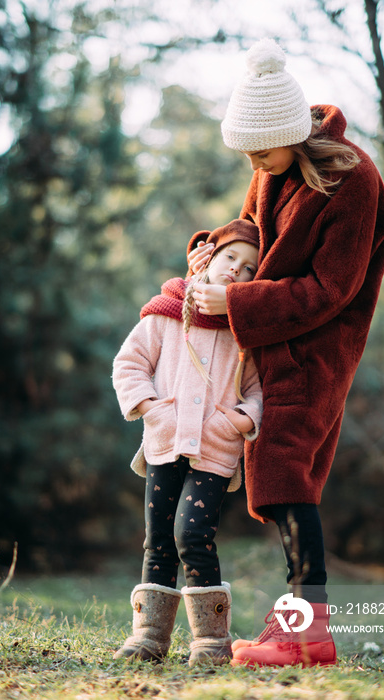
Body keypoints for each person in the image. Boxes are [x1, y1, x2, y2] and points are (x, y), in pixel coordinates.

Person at [187, 38, 384, 667]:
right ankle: (300, 626)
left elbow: (334, 289)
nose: (254, 162)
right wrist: (214, 253)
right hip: (271, 342)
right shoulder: (270, 167)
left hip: (318, 347)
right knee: (276, 478)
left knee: (286, 477)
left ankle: (309, 634)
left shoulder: (352, 180)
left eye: (261, 150)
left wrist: (241, 306)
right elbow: (250, 230)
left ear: (292, 133)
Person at [112, 219, 263, 665]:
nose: (237, 269)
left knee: (192, 536)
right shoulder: (166, 313)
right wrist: (154, 410)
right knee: (158, 538)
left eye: (250, 268)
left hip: (215, 453)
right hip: (166, 443)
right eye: (230, 257)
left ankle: (211, 642)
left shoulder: (245, 335)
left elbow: (258, 393)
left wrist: (235, 422)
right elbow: (129, 364)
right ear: (209, 257)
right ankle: (149, 638)